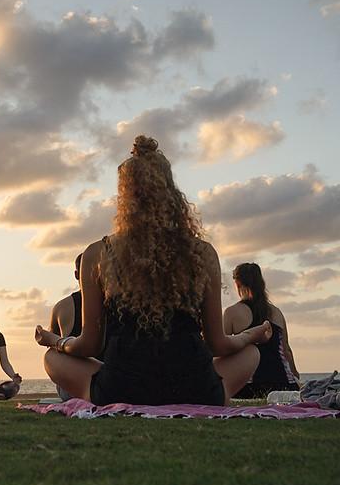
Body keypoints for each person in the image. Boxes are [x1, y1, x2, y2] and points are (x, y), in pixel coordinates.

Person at [35, 135, 272, 406]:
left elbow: (89, 346)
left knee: (51, 359)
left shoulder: (98, 254)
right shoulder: (202, 253)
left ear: (125, 196)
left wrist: (56, 341)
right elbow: (218, 344)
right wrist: (249, 335)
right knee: (251, 353)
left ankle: (100, 394)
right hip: (196, 387)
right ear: (170, 191)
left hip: (120, 388)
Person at [223, 263, 300, 398]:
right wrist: (296, 377)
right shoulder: (276, 312)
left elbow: (221, 349)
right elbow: (286, 350)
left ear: (238, 283)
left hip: (249, 387)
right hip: (284, 385)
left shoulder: (232, 312)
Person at [47, 253, 83, 400]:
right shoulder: (120, 304)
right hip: (110, 382)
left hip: (72, 388)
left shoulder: (62, 307)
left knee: (51, 355)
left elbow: (50, 342)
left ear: (76, 274)